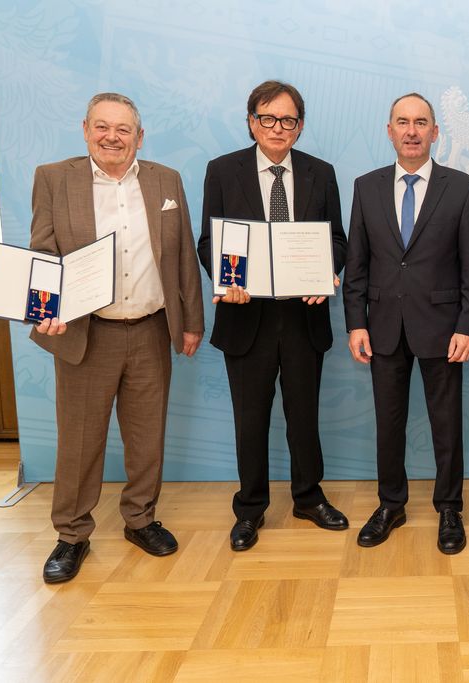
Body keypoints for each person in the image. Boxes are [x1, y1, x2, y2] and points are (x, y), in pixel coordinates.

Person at [33, 92, 204, 583]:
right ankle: (71, 535)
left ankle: (141, 519)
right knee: (80, 440)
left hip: (152, 328)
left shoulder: (164, 180)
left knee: (147, 435)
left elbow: (182, 258)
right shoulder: (53, 178)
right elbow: (42, 251)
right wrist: (45, 310)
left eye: (123, 129)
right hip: (86, 334)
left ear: (139, 136)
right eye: (103, 127)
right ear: (86, 129)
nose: (113, 137)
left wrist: (191, 320)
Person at [197, 80, 348, 551]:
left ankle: (308, 497)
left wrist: (327, 273)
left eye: (287, 120)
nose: (277, 127)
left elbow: (338, 240)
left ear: (299, 127)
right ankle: (250, 509)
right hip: (246, 320)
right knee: (251, 419)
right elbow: (210, 242)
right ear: (251, 122)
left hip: (303, 317)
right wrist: (226, 282)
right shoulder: (223, 171)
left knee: (304, 416)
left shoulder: (321, 174)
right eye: (267, 118)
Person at [343, 93, 469, 555]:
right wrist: (355, 322)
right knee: (389, 422)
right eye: (402, 122)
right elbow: (356, 264)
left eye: (420, 122)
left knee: (447, 422)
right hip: (382, 325)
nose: (411, 130)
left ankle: (450, 508)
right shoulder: (365, 187)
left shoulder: (463, 188)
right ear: (389, 131)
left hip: (444, 329)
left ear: (435, 132)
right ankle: (391, 504)